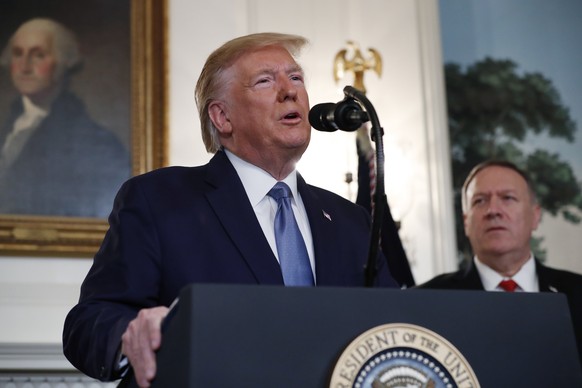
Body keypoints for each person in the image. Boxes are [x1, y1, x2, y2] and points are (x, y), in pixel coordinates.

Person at [63, 32, 398, 386]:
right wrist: (130, 334)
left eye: (295, 77)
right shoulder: (159, 200)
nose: (290, 90)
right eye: (265, 81)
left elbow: (396, 325)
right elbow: (88, 322)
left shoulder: (351, 221)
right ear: (222, 117)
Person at [417, 160, 582, 365]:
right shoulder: (426, 302)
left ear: (535, 216)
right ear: (466, 221)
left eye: (508, 198)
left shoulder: (576, 293)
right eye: (480, 201)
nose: (493, 210)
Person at [0, 18, 129, 218]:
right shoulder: (7, 126)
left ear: (63, 62)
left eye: (38, 55)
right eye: (17, 54)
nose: (24, 66)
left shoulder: (97, 142)